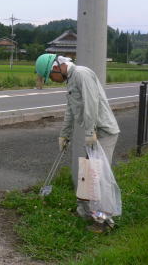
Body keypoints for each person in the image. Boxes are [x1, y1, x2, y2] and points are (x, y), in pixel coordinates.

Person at [35, 54, 120, 232]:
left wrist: (89, 132)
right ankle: (85, 212)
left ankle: (105, 222)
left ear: (56, 68)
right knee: (88, 174)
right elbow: (70, 110)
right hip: (94, 133)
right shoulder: (72, 79)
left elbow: (91, 103)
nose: (52, 80)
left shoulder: (82, 74)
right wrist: (64, 135)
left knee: (98, 177)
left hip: (103, 132)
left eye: (50, 76)